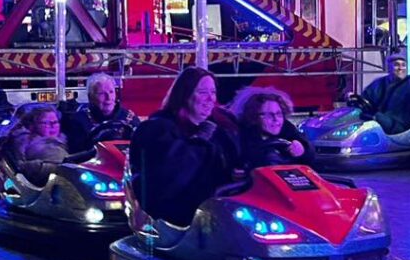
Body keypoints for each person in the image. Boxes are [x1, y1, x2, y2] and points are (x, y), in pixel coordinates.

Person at [128, 67, 240, 227]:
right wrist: (200, 140)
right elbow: (170, 178)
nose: (210, 99)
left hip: (217, 215)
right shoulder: (156, 130)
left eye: (213, 92)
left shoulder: (220, 128)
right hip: (175, 222)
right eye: (202, 92)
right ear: (185, 95)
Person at [232, 87, 315, 169]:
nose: (275, 119)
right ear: (253, 116)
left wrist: (302, 149)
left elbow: (309, 150)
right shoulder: (241, 134)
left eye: (279, 114)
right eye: (268, 115)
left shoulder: (287, 128)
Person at [359, 54, 410, 135]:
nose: (400, 68)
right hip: (379, 125)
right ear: (388, 67)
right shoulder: (379, 84)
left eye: (403, 65)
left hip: (401, 128)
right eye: (396, 65)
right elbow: (365, 100)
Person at [62, 73, 139, 152]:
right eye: (102, 93)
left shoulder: (130, 119)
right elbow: (76, 155)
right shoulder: (78, 121)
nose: (108, 98)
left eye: (111, 92)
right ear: (90, 97)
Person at [1, 104, 69, 186]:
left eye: (55, 122)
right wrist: (56, 168)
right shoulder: (22, 143)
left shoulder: (59, 142)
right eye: (45, 123)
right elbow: (20, 169)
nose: (52, 126)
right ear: (31, 125)